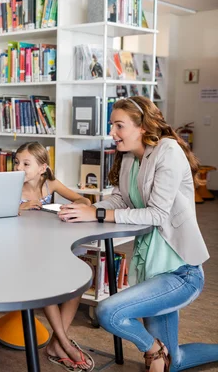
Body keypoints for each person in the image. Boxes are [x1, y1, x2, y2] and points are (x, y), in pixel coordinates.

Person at [59, 96, 218, 372]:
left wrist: (96, 214)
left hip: (180, 272)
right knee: (174, 361)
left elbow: (157, 214)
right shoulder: (130, 157)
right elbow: (120, 200)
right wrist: (86, 209)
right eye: (112, 125)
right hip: (152, 271)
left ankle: (154, 351)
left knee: (109, 312)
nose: (112, 133)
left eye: (119, 125)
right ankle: (164, 356)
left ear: (142, 127)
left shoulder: (168, 151)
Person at [14, 142, 94, 370]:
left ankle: (57, 342)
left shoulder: (50, 184)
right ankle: (65, 344)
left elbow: (84, 201)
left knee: (77, 279)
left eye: (26, 163)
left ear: (42, 168)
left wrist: (67, 208)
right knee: (46, 282)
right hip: (22, 251)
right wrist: (19, 209)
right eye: (17, 162)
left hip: (49, 244)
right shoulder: (12, 188)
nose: (19, 167)